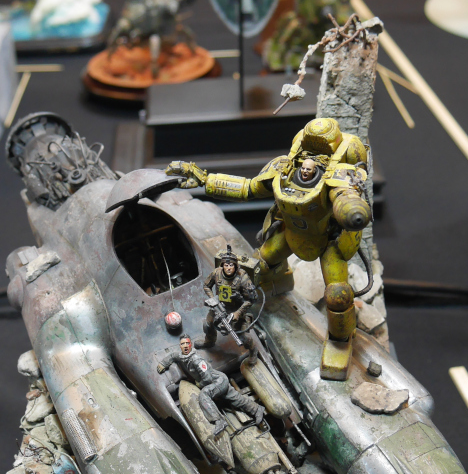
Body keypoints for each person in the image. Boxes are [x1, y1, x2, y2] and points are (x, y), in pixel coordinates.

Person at [165, 117, 372, 381]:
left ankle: (340, 341)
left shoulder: (339, 177)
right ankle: (275, 282)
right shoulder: (282, 169)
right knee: (257, 267)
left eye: (317, 157)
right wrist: (205, 179)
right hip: (290, 234)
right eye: (307, 154)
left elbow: (346, 199)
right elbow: (248, 188)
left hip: (327, 241)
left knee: (338, 297)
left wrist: (352, 209)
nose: (306, 167)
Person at [157, 334, 264, 436]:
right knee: (234, 398)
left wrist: (199, 384)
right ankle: (257, 409)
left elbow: (207, 377)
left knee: (204, 395)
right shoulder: (181, 356)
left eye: (187, 343)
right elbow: (172, 356)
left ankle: (219, 421)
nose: (185, 346)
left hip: (217, 381)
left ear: (191, 345)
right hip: (217, 381)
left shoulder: (196, 360)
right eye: (182, 344)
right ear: (180, 346)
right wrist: (163, 363)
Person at [196, 244, 258, 365]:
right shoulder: (216, 273)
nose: (228, 268)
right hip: (219, 307)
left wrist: (238, 313)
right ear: (222, 265)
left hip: (237, 309)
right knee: (207, 325)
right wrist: (213, 299)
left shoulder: (242, 277)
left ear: (235, 266)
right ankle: (209, 341)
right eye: (226, 265)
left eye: (231, 265)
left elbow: (251, 300)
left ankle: (253, 350)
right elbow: (206, 285)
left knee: (243, 337)